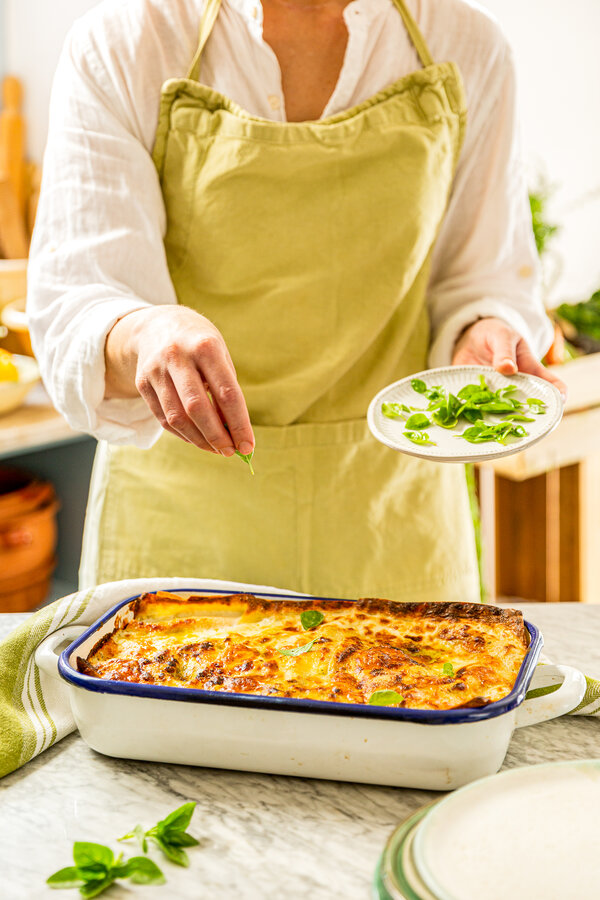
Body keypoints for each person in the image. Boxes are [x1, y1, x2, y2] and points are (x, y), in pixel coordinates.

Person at [28, 0, 566, 600]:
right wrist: (147, 332)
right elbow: (78, 302)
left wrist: (482, 330)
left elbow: (480, 275)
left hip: (392, 526)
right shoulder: (124, 43)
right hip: (181, 533)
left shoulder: (468, 43)